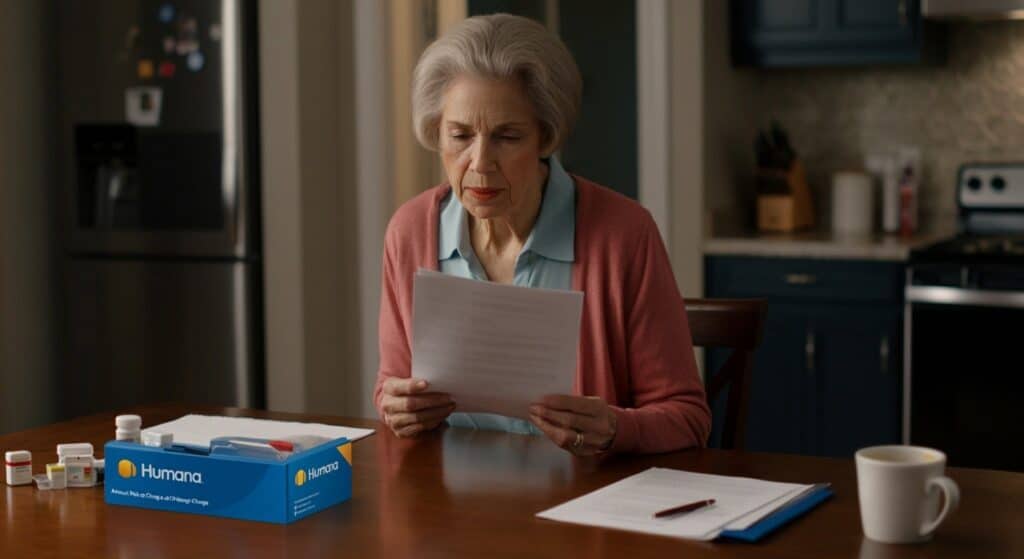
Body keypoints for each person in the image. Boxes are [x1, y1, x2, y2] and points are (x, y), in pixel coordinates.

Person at [374, 13, 710, 455]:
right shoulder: (410, 231)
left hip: (583, 504)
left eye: (507, 137)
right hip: (450, 510)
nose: (479, 163)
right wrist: (397, 406)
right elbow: (389, 390)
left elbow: (687, 418)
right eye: (459, 136)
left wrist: (613, 427)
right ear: (437, 133)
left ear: (545, 137)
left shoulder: (624, 234)